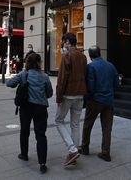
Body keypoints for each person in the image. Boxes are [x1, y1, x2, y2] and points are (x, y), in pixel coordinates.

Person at [6, 53, 53, 174]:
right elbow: (49, 93)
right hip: (41, 108)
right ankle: (42, 163)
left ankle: (24, 154)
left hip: (26, 107)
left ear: (27, 62)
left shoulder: (23, 74)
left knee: (24, 131)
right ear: (39, 62)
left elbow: (9, 83)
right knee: (41, 135)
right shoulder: (45, 76)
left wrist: (21, 83)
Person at [79, 45, 119, 162]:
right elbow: (116, 83)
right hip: (109, 100)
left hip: (95, 100)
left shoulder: (91, 67)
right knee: (107, 127)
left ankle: (85, 147)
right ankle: (106, 152)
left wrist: (87, 99)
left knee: (87, 124)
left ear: (90, 56)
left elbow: (90, 86)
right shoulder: (110, 65)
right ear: (100, 53)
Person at [55, 32, 87, 166]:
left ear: (68, 42)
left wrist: (58, 97)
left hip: (68, 93)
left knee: (58, 120)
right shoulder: (83, 56)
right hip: (80, 93)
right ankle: (74, 151)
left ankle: (72, 149)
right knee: (75, 123)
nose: (63, 44)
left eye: (64, 42)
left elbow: (62, 79)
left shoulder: (66, 56)